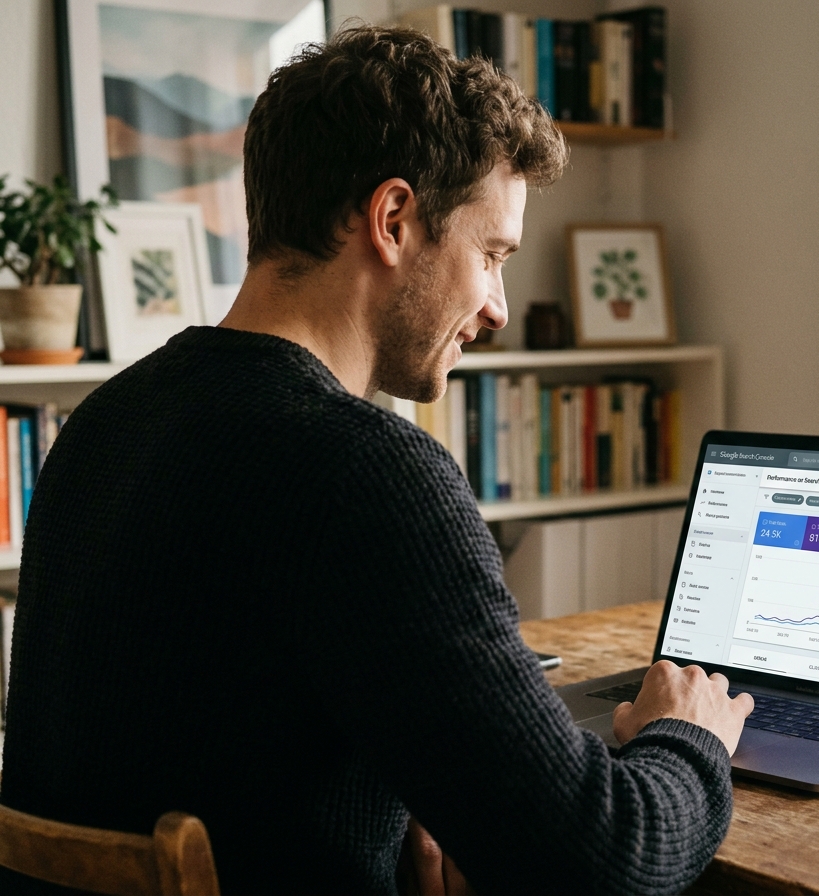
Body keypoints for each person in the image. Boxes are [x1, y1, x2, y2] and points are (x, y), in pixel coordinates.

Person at [0, 25, 753, 896]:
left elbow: (215, 729)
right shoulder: (364, 477)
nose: (499, 309)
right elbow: (601, 860)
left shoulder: (106, 424)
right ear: (393, 220)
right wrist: (689, 737)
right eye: (492, 255)